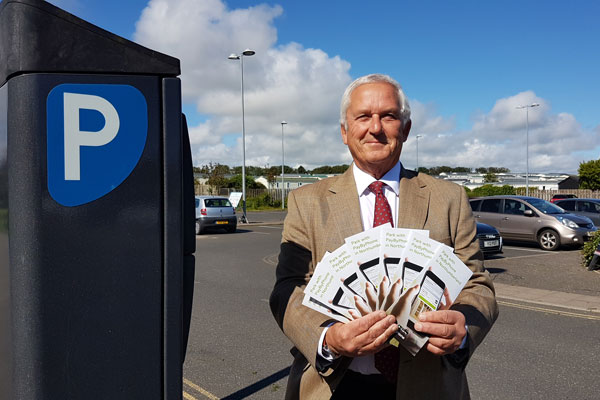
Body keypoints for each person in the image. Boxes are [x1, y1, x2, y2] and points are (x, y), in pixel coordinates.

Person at [269, 74, 498, 399]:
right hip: (334, 385)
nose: (375, 128)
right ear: (345, 132)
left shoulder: (449, 198)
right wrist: (330, 339)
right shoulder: (307, 201)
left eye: (388, 116)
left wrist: (462, 327)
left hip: (429, 385)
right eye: (363, 116)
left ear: (405, 128)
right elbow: (286, 290)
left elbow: (478, 285)